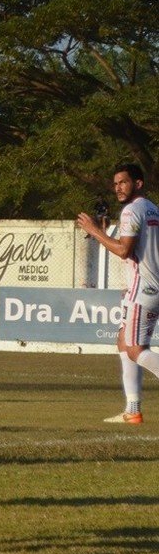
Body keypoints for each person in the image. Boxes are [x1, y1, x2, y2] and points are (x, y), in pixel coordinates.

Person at [78, 163, 159, 425]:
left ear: (138, 183)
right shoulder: (152, 209)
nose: (117, 188)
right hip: (148, 285)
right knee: (123, 341)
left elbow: (124, 250)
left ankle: (133, 411)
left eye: (123, 182)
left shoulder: (131, 211)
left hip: (143, 290)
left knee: (136, 349)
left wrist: (94, 231)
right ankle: (132, 410)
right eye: (115, 184)